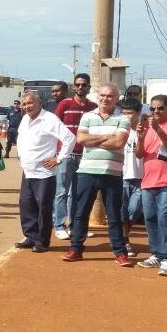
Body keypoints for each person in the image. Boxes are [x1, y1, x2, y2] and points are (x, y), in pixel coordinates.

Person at [62, 85, 131, 265]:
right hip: (86, 172)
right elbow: (81, 139)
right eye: (102, 95)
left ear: (117, 99)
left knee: (114, 215)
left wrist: (94, 140)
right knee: (80, 213)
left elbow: (119, 142)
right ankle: (75, 249)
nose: (105, 99)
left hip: (112, 173)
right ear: (97, 96)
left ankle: (120, 252)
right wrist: (107, 137)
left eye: (110, 96)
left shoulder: (123, 118)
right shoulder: (87, 116)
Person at [13, 91, 76, 252]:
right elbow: (21, 139)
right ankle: (30, 236)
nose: (27, 106)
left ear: (39, 103)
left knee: (43, 207)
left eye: (30, 103)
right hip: (28, 170)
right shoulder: (25, 119)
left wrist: (59, 158)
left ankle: (42, 241)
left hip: (44, 173)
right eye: (25, 103)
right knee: (27, 205)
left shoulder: (49, 119)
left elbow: (69, 138)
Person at [135, 94, 167, 276]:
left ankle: (166, 258)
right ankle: (155, 253)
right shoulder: (147, 126)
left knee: (164, 217)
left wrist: (158, 130)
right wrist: (140, 137)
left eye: (160, 108)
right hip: (148, 180)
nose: (156, 111)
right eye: (152, 108)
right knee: (150, 219)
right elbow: (140, 155)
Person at [53, 74, 96, 239]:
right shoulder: (65, 104)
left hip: (85, 155)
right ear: (74, 87)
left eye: (83, 85)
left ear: (88, 87)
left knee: (79, 193)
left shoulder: (93, 107)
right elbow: (54, 127)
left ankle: (75, 226)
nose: (80, 87)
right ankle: (59, 225)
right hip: (66, 155)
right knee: (61, 191)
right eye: (77, 85)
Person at [119, 98, 144, 257]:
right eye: (124, 113)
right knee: (122, 212)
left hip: (140, 178)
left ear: (138, 114)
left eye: (130, 113)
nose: (126, 116)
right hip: (121, 177)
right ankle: (124, 240)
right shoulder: (118, 131)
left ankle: (124, 235)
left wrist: (141, 137)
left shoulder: (144, 132)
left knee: (134, 211)